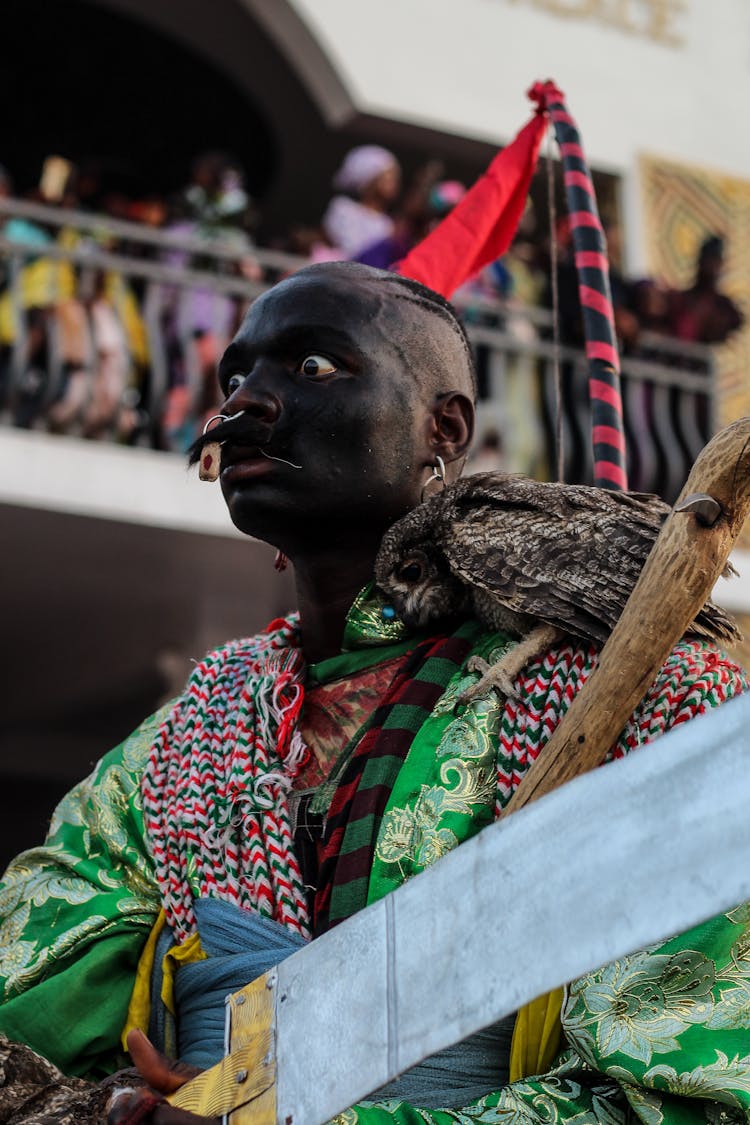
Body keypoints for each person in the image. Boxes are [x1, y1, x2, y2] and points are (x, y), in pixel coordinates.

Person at [0, 262, 749, 1125]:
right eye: (232, 376)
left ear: (446, 427)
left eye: (313, 368)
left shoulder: (660, 708)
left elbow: (694, 1091)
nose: (242, 404)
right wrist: (120, 1111)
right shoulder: (167, 753)